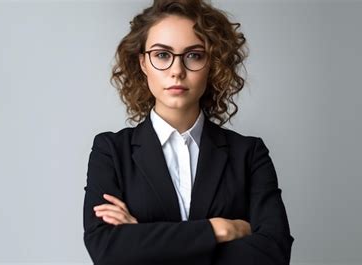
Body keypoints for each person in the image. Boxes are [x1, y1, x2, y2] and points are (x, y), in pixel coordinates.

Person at [83, 0, 294, 264]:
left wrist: (142, 241)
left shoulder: (249, 154)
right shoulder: (112, 151)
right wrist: (219, 229)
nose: (177, 71)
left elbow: (273, 253)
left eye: (194, 55)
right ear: (143, 63)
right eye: (162, 55)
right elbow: (107, 250)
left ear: (212, 63)